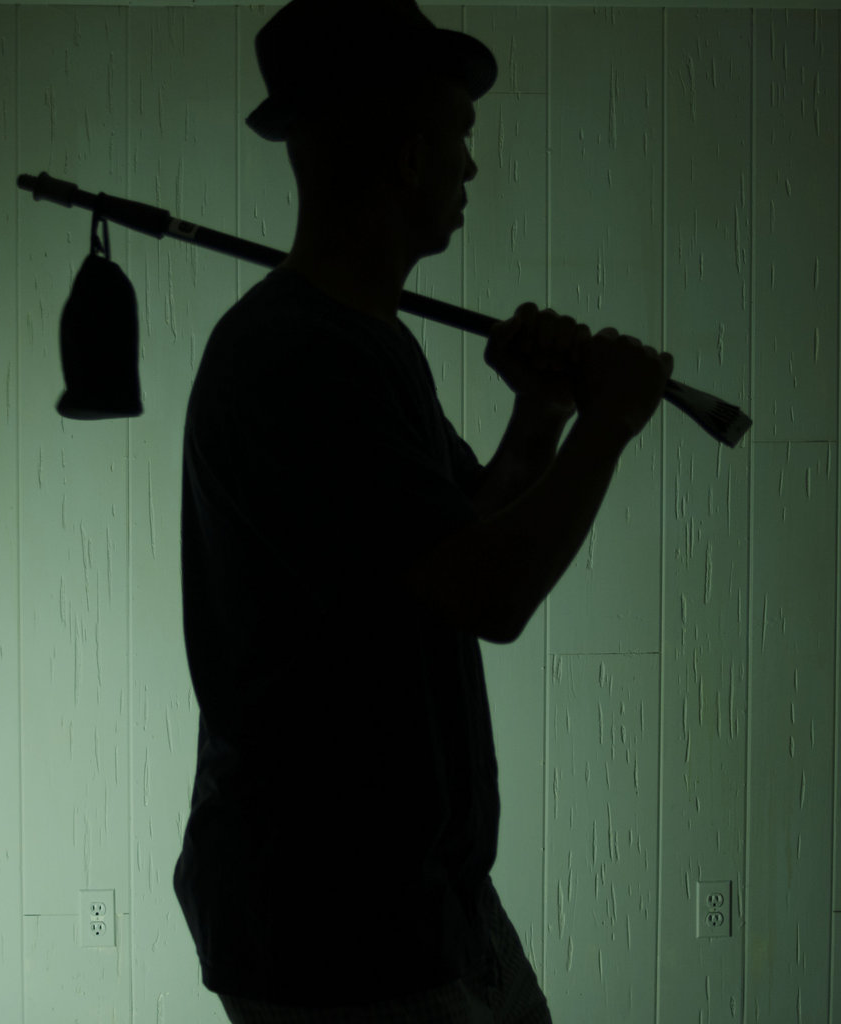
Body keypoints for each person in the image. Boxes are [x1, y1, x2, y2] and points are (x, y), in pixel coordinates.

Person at [173, 1, 673, 1022]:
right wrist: (608, 425)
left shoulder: (363, 343)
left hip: (420, 902)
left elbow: (455, 541)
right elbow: (491, 591)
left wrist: (543, 414)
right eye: (460, 137)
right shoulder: (301, 358)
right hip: (333, 927)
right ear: (408, 156)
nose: (470, 168)